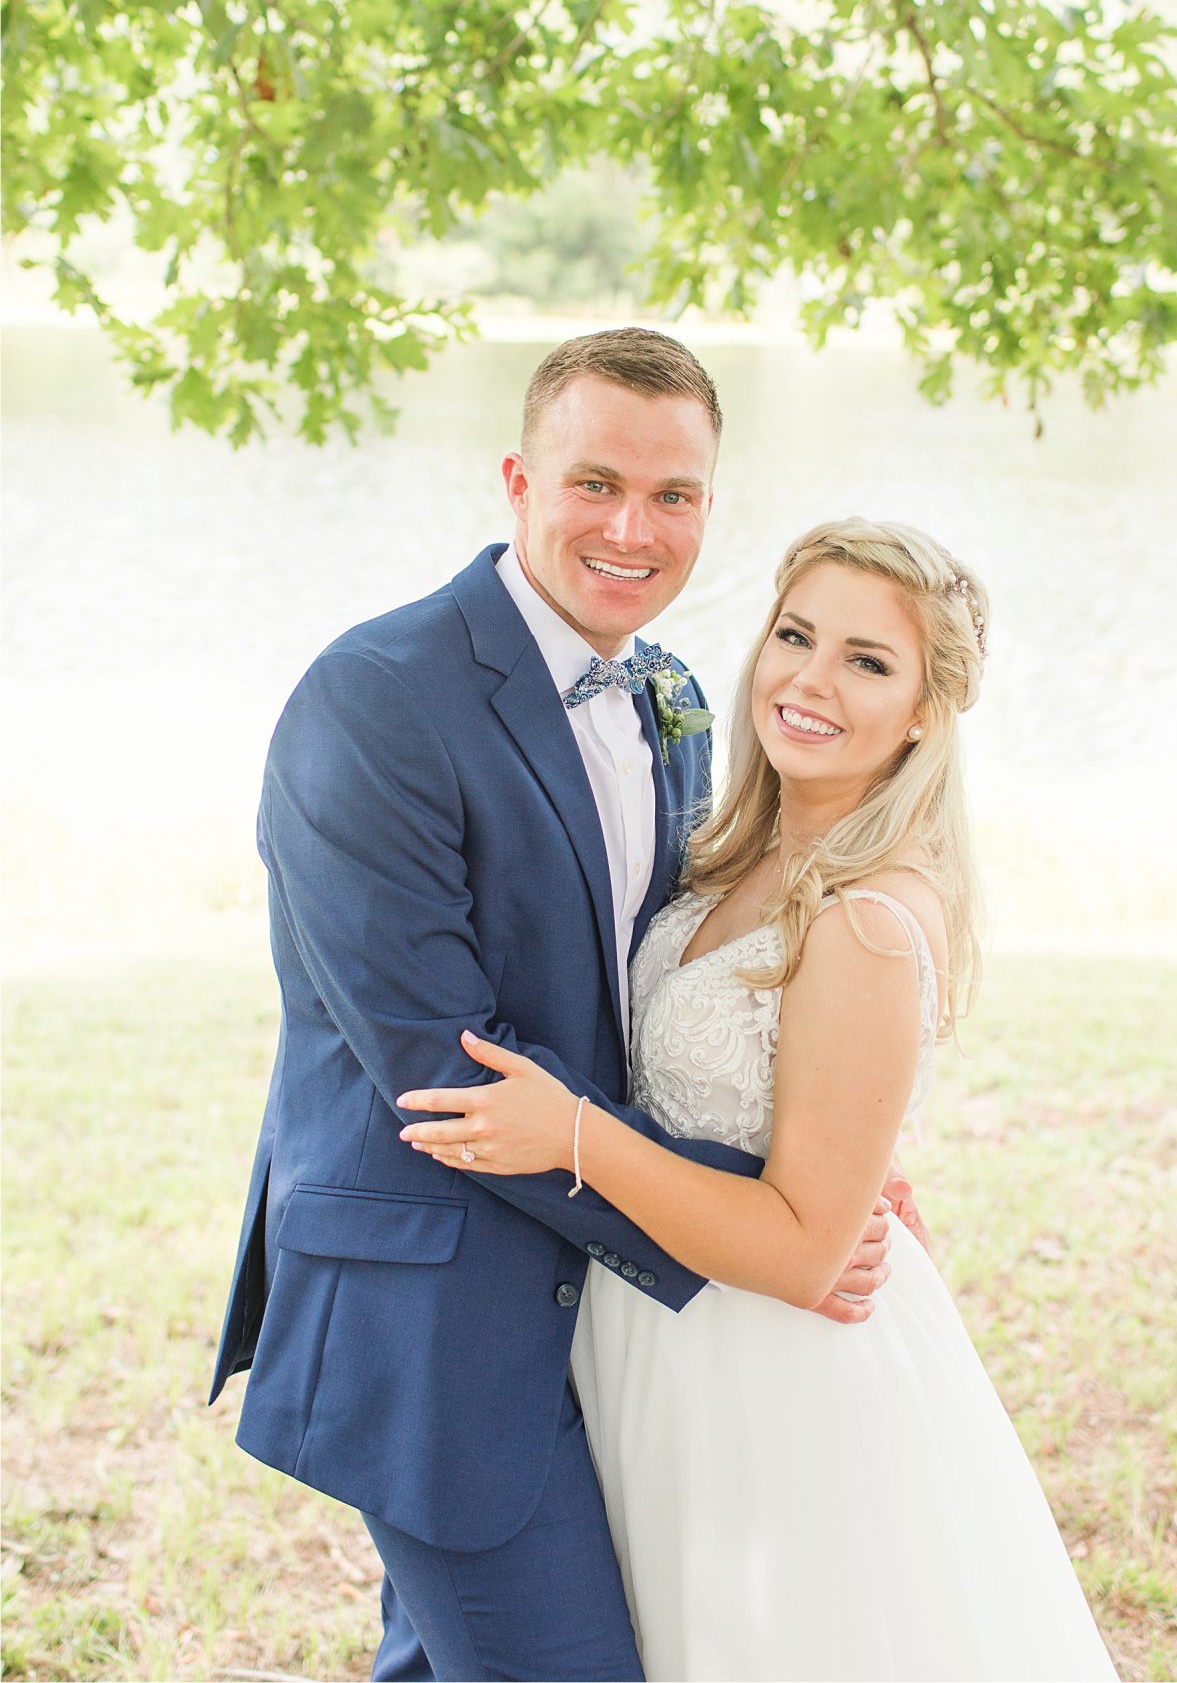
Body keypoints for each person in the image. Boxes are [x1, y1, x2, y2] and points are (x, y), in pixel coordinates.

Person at [210, 332, 924, 1683]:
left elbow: (662, 982)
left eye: (674, 497)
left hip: (602, 1312)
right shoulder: (372, 701)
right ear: (516, 479)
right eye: (593, 482)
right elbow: (450, 1068)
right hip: (437, 1324)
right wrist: (773, 1219)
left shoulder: (676, 695)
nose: (630, 529)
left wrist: (830, 1151)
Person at [399, 517, 1120, 1682]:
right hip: (665, 1337)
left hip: (778, 1375)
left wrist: (571, 1132)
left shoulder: (867, 918)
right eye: (795, 634)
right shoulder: (744, 850)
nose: (809, 678)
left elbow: (799, 1250)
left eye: (867, 661)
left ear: (926, 711)